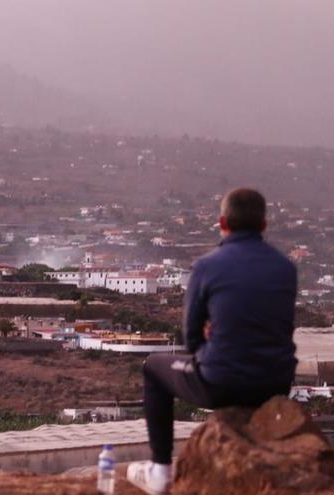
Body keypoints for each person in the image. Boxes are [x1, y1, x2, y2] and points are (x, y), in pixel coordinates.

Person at [126, 188, 298, 495]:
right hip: (275, 384)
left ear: (222, 222)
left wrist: (212, 345)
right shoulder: (285, 268)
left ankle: (161, 471)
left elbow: (190, 337)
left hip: (221, 383)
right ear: (263, 225)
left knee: (153, 366)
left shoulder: (209, 266)